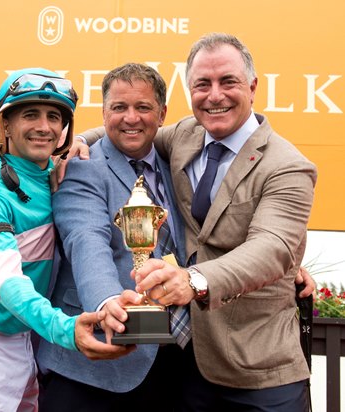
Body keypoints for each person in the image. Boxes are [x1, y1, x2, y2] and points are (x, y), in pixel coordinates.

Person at [78, 33, 317, 411]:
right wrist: (78, 140)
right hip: (187, 369)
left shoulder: (288, 166)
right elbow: (132, 130)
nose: (215, 95)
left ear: (253, 87)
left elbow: (272, 247)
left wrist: (194, 280)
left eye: (228, 82)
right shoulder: (187, 135)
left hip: (259, 370)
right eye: (202, 84)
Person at [0, 68, 132, 412]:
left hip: (28, 341)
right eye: (30, 114)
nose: (44, 126)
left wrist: (84, 139)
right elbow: (9, 283)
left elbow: (124, 130)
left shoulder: (54, 175)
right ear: (6, 125)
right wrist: (65, 329)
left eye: (54, 117)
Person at [36, 63, 187, 411]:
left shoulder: (177, 164)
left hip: (172, 366)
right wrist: (107, 303)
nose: (130, 118)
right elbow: (85, 238)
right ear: (104, 113)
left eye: (143, 107)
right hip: (89, 368)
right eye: (119, 107)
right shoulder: (82, 166)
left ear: (162, 114)